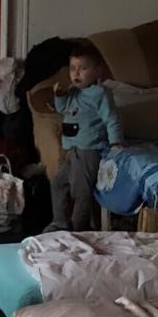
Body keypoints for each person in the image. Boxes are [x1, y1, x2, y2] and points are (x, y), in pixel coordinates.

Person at [49, 40, 123, 232]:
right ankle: (60, 222)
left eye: (83, 68)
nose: (76, 73)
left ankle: (77, 229)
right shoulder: (73, 92)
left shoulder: (100, 94)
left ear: (97, 72)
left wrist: (116, 142)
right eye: (73, 68)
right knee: (58, 183)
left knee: (80, 191)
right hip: (71, 151)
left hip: (88, 150)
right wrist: (60, 95)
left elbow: (111, 118)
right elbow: (62, 109)